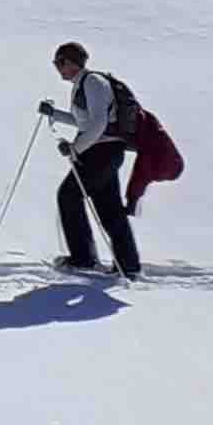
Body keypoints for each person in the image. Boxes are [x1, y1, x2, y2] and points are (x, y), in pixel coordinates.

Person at [38, 42, 142, 280]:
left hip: (100, 152)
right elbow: (84, 122)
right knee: (109, 209)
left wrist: (74, 148)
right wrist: (54, 114)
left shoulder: (93, 82)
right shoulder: (84, 84)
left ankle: (83, 259)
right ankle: (128, 265)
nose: (57, 68)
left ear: (70, 62)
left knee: (68, 195)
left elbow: (97, 124)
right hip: (104, 151)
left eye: (59, 62)